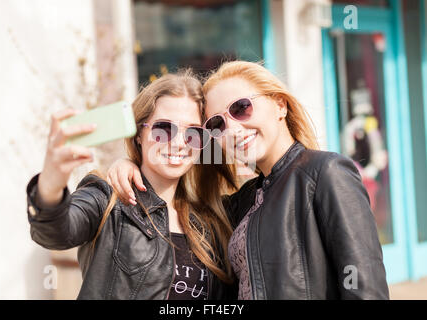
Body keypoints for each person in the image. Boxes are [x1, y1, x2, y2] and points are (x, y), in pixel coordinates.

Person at [106, 61, 390, 300]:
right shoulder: (244, 201)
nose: (232, 129)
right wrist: (133, 162)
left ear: (280, 105)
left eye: (241, 108)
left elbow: (365, 289)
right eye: (216, 124)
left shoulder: (324, 173)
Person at [26, 71, 238, 300]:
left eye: (194, 133)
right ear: (138, 133)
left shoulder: (212, 221)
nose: (178, 143)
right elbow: (55, 233)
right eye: (164, 129)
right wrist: (50, 184)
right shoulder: (108, 199)